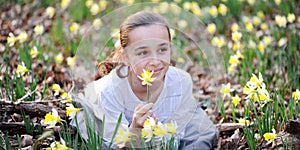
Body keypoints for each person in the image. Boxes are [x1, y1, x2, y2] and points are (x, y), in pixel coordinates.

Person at [72, 11, 218, 149]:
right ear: (125, 57)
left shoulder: (180, 82)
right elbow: (120, 144)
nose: (155, 61)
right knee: (93, 129)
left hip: (162, 134)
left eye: (162, 50)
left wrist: (157, 134)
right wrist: (135, 131)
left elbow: (175, 137)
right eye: (143, 52)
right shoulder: (109, 91)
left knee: (202, 131)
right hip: (109, 124)